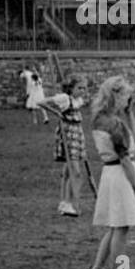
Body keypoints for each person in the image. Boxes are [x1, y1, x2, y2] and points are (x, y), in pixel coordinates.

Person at [86, 76, 135, 269]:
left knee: (114, 227)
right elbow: (126, 157)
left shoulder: (99, 119)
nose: (128, 101)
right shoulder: (114, 124)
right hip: (120, 174)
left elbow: (133, 138)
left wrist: (129, 113)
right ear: (116, 96)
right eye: (126, 97)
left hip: (109, 174)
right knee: (122, 228)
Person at [40, 77, 89, 217]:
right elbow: (41, 102)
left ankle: (64, 202)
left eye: (84, 88)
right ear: (71, 88)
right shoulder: (64, 98)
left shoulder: (78, 101)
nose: (83, 91)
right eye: (79, 88)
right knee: (76, 172)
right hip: (68, 134)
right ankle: (69, 203)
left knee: (68, 171)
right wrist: (55, 113)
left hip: (77, 134)